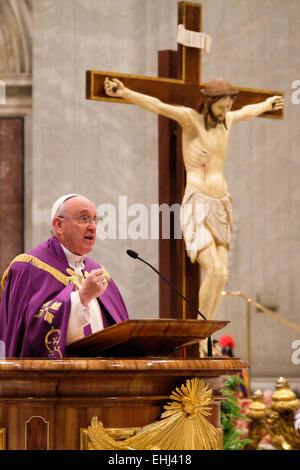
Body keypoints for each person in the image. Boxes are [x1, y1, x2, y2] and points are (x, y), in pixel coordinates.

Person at [104, 77, 284, 333]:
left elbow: (247, 111)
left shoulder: (228, 122)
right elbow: (157, 106)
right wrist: (124, 92)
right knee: (214, 268)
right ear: (208, 103)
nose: (225, 111)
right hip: (197, 204)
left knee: (222, 275)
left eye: (228, 105)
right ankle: (200, 334)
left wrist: (266, 104)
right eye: (221, 106)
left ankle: (206, 332)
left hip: (222, 205)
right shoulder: (191, 120)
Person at [0, 194, 128, 358]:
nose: (93, 227)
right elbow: (27, 335)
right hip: (54, 379)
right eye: (83, 218)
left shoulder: (98, 272)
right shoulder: (27, 268)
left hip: (103, 377)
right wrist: (81, 298)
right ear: (59, 225)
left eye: (95, 220)